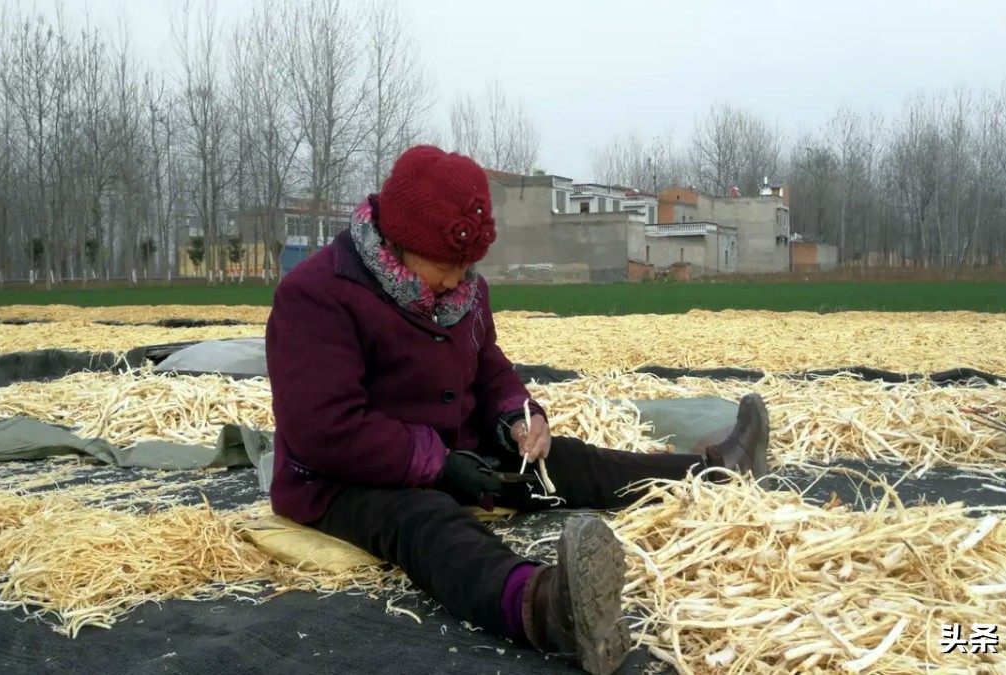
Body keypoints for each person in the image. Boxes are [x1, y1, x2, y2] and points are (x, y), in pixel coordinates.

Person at [264, 145, 771, 675]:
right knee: (424, 522)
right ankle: (546, 608)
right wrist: (436, 466)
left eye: (468, 267)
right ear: (398, 242)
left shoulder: (462, 290)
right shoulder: (318, 296)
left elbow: (488, 369)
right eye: (446, 266)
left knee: (569, 464)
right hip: (342, 480)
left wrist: (518, 416)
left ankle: (713, 471)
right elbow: (325, 428)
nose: (459, 281)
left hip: (455, 455)